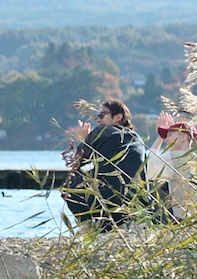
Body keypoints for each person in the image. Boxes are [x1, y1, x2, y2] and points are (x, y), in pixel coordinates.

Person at [62, 98, 149, 232]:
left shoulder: (103, 131)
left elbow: (77, 162)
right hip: (136, 200)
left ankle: (86, 227)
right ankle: (119, 225)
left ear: (118, 117)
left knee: (69, 185)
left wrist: (84, 139)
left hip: (107, 195)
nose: (98, 119)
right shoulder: (136, 138)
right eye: (98, 116)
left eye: (103, 115)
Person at [145, 114, 197, 220]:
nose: (166, 140)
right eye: (165, 136)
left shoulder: (173, 158)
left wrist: (159, 138)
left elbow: (147, 168)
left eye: (170, 135)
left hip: (182, 218)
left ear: (183, 137)